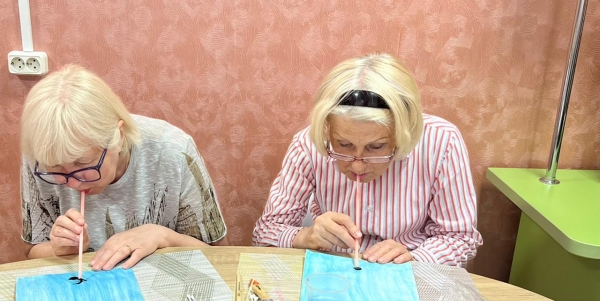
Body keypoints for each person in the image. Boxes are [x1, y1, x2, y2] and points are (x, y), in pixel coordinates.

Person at [253, 53, 482, 266]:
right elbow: (265, 233)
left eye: (376, 147)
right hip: (332, 273)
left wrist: (414, 258)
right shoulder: (309, 144)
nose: (358, 165)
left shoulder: (441, 142)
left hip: (409, 273)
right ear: (328, 128)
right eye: (343, 145)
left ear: (404, 133)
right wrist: (307, 236)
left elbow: (460, 238)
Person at [20, 64, 227, 270]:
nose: (72, 183)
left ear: (118, 137)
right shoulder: (41, 153)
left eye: (82, 163)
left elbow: (220, 256)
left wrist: (162, 236)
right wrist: (59, 249)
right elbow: (32, 250)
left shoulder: (174, 151)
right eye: (56, 168)